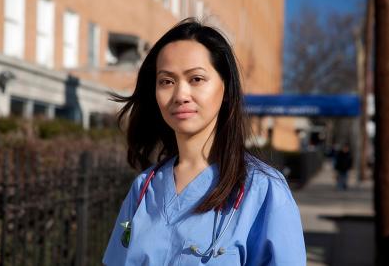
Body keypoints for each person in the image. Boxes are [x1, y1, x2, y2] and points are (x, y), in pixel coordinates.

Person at [103, 18, 306, 266]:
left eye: (196, 79)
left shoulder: (263, 190)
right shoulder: (144, 189)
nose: (180, 95)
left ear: (225, 89)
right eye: (166, 81)